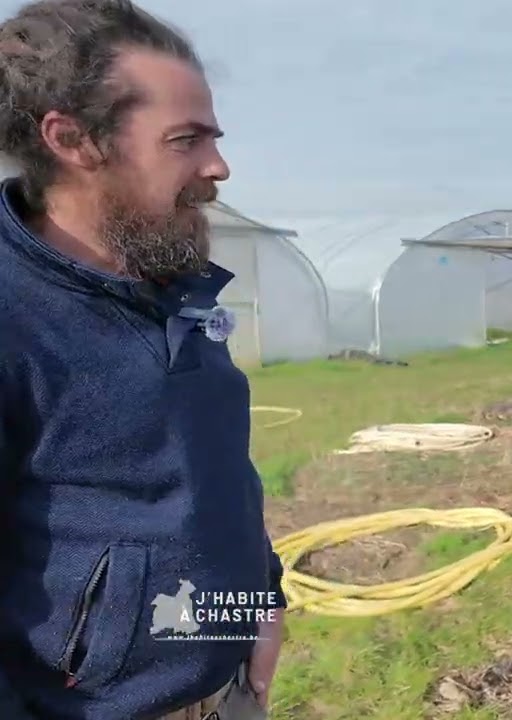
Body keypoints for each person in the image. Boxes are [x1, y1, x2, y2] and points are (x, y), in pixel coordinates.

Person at [0, 1, 287, 717]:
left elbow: (215, 480)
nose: (217, 166)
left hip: (227, 692)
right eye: (185, 140)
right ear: (72, 140)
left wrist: (260, 601)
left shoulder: (175, 290)